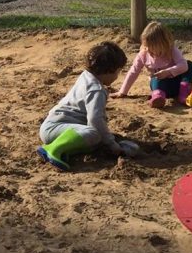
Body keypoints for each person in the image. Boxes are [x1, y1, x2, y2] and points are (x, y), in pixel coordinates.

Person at [37, 41, 130, 171]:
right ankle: (53, 149)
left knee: (95, 139)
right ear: (109, 70)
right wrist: (111, 144)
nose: (117, 76)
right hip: (55, 129)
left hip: (52, 126)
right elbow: (95, 120)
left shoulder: (86, 76)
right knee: (94, 133)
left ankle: (66, 148)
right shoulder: (96, 90)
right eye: (118, 72)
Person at [111, 20, 192, 108]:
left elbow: (184, 66)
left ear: (164, 44)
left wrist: (168, 72)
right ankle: (158, 97)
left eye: (151, 47)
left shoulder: (172, 51)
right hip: (161, 86)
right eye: (146, 46)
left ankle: (184, 94)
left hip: (178, 85)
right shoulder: (143, 54)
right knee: (155, 78)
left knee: (190, 65)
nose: (147, 49)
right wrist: (123, 91)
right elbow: (133, 71)